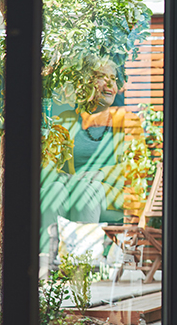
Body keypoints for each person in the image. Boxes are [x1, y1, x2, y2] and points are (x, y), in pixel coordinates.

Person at [40, 55, 128, 253]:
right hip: (73, 186)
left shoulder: (124, 121)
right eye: (101, 77)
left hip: (110, 193)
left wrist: (101, 174)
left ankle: (82, 264)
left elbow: (133, 166)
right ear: (85, 84)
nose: (110, 84)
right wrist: (62, 177)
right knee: (52, 191)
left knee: (84, 192)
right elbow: (53, 164)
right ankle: (46, 263)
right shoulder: (66, 120)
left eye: (113, 79)